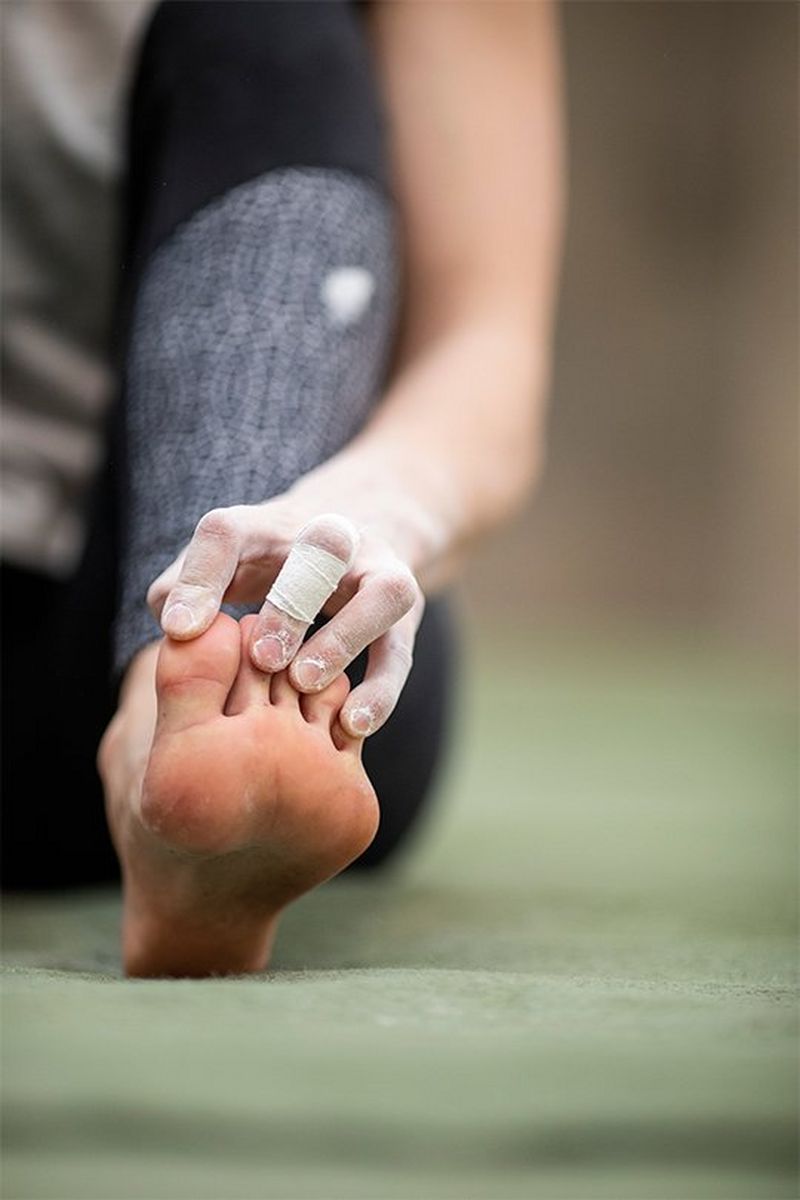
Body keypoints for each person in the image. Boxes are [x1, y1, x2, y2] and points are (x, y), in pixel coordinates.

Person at [1, 1, 564, 976]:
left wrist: (355, 519)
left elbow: (484, 352)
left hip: (272, 682)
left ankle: (175, 723)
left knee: (263, 25)